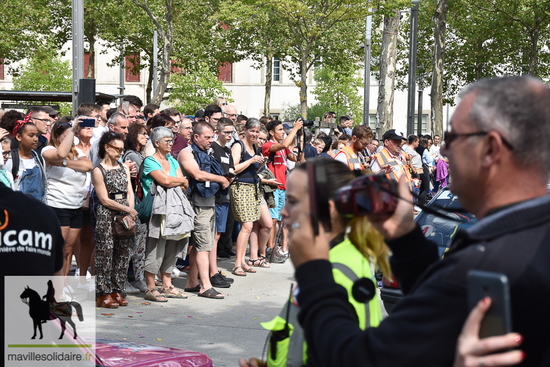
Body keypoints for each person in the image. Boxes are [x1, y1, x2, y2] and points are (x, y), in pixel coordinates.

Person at [286, 75, 550, 366]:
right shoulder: (527, 237)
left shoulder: (487, 260)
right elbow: (440, 311)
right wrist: (405, 238)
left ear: (490, 149)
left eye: (453, 139)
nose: (445, 152)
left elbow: (358, 358)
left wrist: (314, 270)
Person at [239, 158, 389, 367]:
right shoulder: (330, 259)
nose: (283, 211)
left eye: (293, 201)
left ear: (326, 210)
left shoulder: (337, 271)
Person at [178, 122, 231, 299]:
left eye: (212, 137)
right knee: (203, 247)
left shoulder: (207, 153)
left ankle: (192, 282)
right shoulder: (187, 153)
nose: (211, 140)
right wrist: (221, 179)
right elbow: (197, 174)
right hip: (196, 205)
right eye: (207, 137)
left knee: (199, 246)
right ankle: (205, 286)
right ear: (196, 137)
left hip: (208, 204)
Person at [142, 127, 191, 302]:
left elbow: (183, 185)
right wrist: (177, 181)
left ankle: (167, 285)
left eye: (172, 140)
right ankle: (150, 287)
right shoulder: (150, 161)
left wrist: (175, 181)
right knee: (155, 247)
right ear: (156, 143)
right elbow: (165, 180)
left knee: (173, 246)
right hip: (158, 212)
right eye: (167, 141)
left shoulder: (172, 160)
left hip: (175, 211)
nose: (171, 143)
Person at [42, 120, 93, 277]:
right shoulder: (48, 149)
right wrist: (72, 131)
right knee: (58, 249)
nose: (73, 139)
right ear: (58, 137)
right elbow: (59, 154)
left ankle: (63, 286)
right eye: (68, 136)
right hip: (57, 205)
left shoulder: (78, 152)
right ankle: (52, 289)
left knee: (68, 250)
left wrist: (63, 163)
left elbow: (88, 166)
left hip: (76, 206)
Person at [92, 132, 137, 309]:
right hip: (107, 216)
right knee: (106, 254)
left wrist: (130, 212)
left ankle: (117, 289)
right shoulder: (98, 170)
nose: (120, 152)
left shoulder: (123, 167)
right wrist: (127, 209)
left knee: (123, 254)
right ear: (106, 148)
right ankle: (103, 293)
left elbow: (129, 192)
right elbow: (104, 200)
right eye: (117, 149)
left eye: (122, 149)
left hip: (125, 216)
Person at [262, 119, 304, 263]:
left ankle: (273, 250)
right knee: (273, 220)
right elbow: (285, 144)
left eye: (283, 129)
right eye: (280, 130)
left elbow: (298, 159)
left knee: (278, 220)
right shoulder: (268, 145)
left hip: (283, 187)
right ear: (271, 132)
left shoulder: (283, 148)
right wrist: (295, 129)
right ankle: (270, 250)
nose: (283, 132)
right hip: (273, 187)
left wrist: (301, 142)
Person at [231, 119, 269, 276]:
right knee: (246, 226)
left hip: (253, 187)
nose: (254, 134)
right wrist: (252, 160)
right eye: (252, 130)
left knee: (249, 226)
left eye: (257, 131)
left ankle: (243, 262)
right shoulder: (238, 145)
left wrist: (260, 164)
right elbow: (233, 168)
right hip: (240, 188)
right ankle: (237, 264)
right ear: (245, 130)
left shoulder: (255, 147)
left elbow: (253, 170)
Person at [122, 122, 150, 292]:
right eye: (142, 134)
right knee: (130, 246)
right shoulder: (131, 155)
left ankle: (139, 279)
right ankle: (125, 279)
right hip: (134, 205)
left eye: (146, 133)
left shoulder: (140, 154)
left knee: (139, 246)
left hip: (140, 203)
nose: (146, 136)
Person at [4, 114, 48, 202]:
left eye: (37, 135)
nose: (35, 139)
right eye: (31, 135)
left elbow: (44, 185)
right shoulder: (11, 160)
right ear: (19, 137)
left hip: (38, 208)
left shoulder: (39, 159)